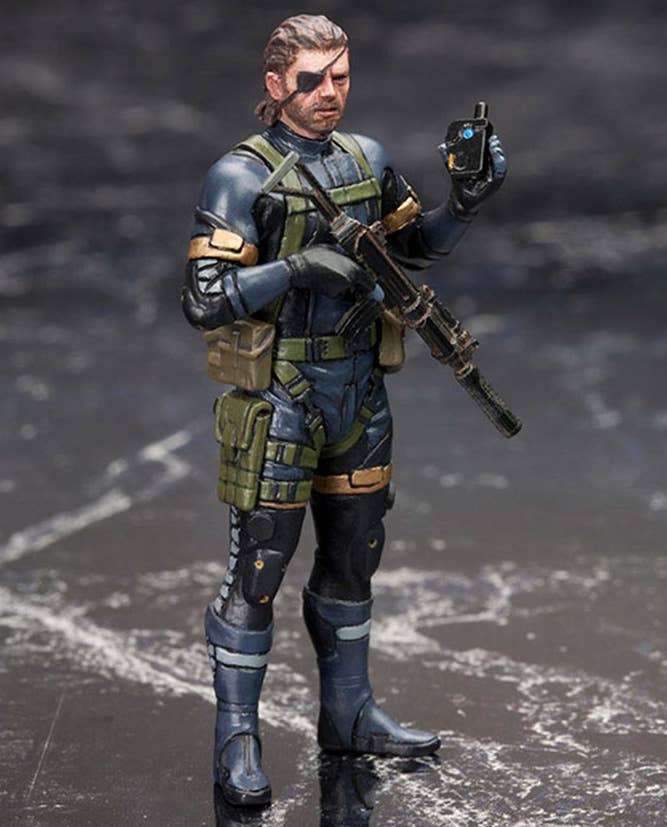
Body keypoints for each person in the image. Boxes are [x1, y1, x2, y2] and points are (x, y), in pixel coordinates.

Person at [182, 13, 506, 807]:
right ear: (274, 84)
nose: (329, 91)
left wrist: (464, 202)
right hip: (281, 396)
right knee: (259, 566)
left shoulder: (366, 160)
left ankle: (349, 713)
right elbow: (205, 298)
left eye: (341, 75)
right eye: (311, 79)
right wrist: (296, 268)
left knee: (356, 556)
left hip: (358, 392)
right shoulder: (240, 177)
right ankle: (237, 736)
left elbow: (413, 249)